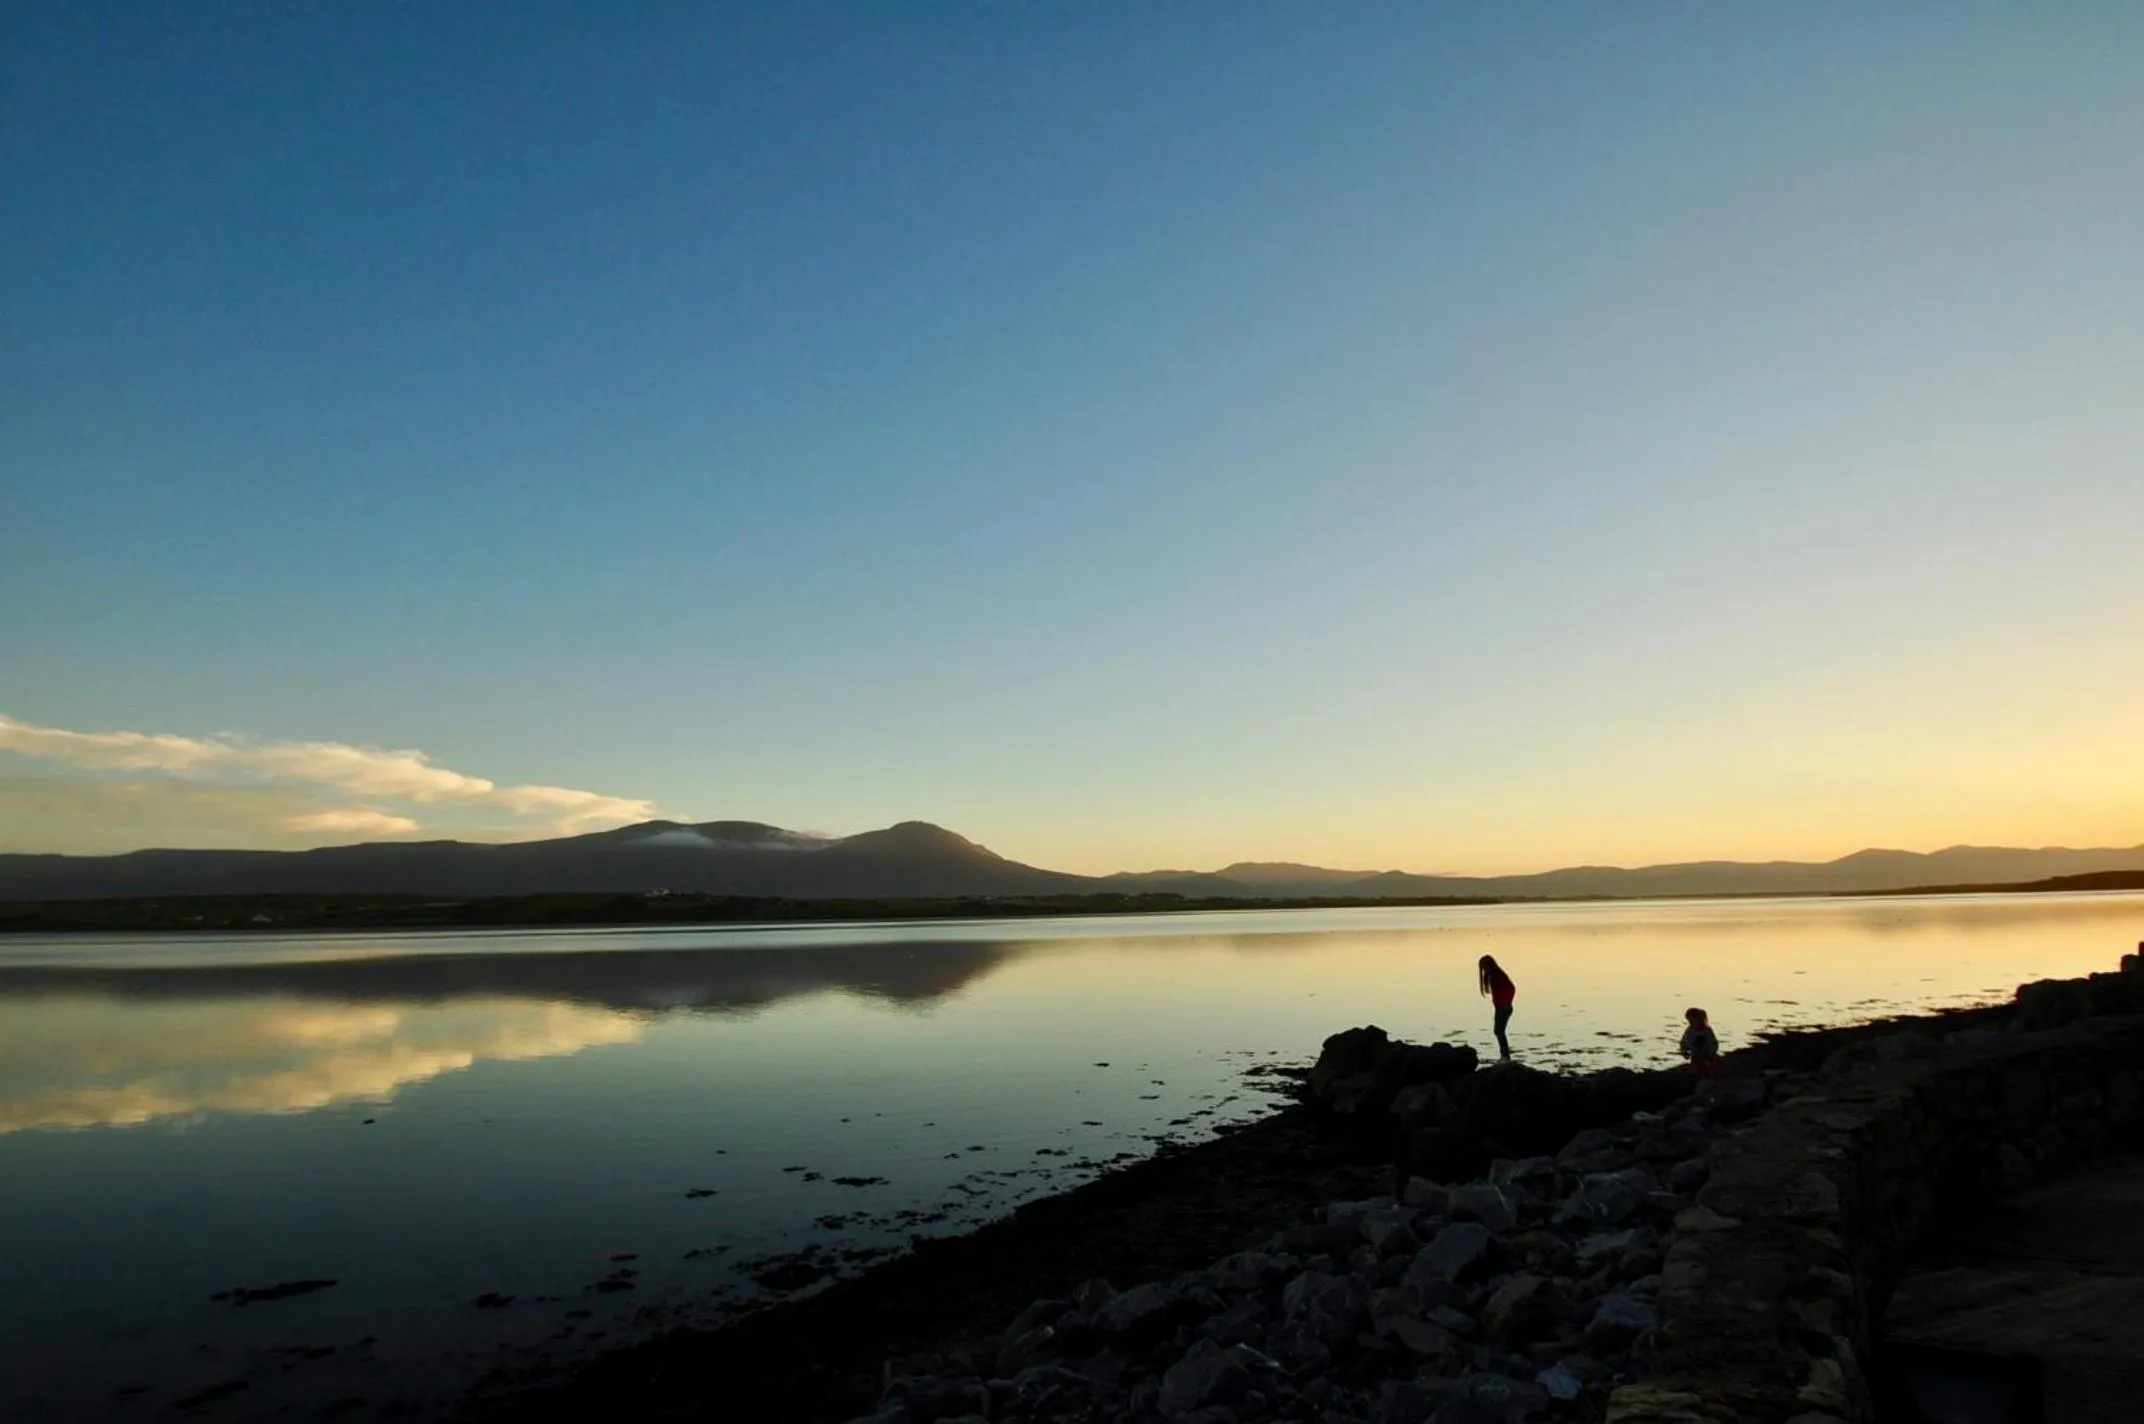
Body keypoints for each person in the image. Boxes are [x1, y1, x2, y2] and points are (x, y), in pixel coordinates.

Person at [1478, 954, 1516, 1061]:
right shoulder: (1493, 976)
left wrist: (1505, 1002)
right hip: (1501, 1007)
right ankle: (1504, 1055)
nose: (1483, 970)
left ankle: (1505, 1056)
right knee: (1498, 1031)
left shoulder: (1497, 975)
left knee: (1499, 1031)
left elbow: (1511, 988)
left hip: (1503, 1008)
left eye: (1484, 967)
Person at [1680, 1007, 1720, 1081]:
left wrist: (1710, 1054)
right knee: (1696, 1072)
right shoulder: (1689, 1030)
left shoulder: (1707, 1030)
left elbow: (1714, 1043)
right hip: (1695, 1056)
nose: (1690, 1023)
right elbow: (1683, 1042)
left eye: (1692, 1021)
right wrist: (1684, 1051)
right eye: (1689, 1021)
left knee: (1706, 1071)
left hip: (1707, 1057)